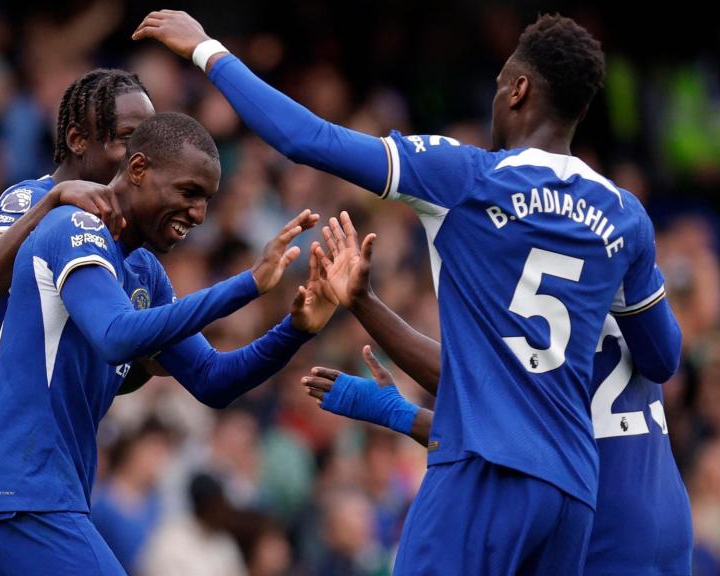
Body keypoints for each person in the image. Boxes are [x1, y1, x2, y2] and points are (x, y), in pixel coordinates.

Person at [135, 12, 682, 574]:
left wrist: (206, 50)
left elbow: (304, 137)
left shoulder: (468, 176)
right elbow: (661, 357)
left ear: (518, 90)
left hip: (482, 470)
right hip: (572, 492)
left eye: (499, 86)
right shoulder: (625, 217)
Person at [0, 112, 334, 574]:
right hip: (19, 489)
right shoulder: (74, 227)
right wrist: (248, 284)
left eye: (208, 199)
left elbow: (214, 380)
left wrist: (296, 329)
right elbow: (115, 337)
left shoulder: (143, 271)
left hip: (38, 492)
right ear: (137, 171)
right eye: (188, 192)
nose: (198, 214)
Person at [303, 213, 693, 574]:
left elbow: (480, 388)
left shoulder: (548, 319)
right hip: (663, 506)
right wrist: (402, 414)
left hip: (602, 520)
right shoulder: (624, 292)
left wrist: (364, 305)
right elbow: (506, 425)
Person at [0, 68, 155, 573]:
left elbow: (109, 368)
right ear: (78, 140)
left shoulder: (124, 249)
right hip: (4, 481)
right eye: (127, 139)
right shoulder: (28, 199)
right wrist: (53, 201)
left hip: (29, 486)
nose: (141, 157)